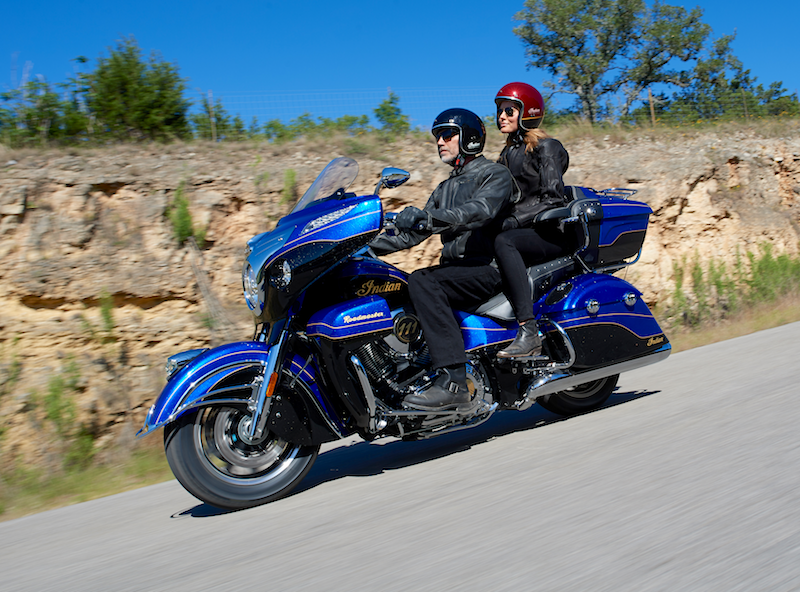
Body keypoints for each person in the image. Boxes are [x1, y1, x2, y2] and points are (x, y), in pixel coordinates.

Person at [370, 108, 518, 412]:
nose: (440, 141)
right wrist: (363, 246)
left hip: (487, 268)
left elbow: (478, 210)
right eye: (438, 136)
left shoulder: (494, 174)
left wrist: (428, 217)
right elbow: (408, 236)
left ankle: (453, 381)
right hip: (456, 272)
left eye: (448, 135)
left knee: (421, 280)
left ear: (470, 139)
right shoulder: (443, 188)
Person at [492, 82, 571, 358]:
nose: (501, 116)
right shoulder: (506, 154)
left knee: (504, 242)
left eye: (509, 110)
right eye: (500, 111)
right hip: (524, 233)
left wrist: (514, 220)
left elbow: (553, 199)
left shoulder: (547, 148)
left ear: (527, 112)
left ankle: (528, 331)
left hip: (549, 234)